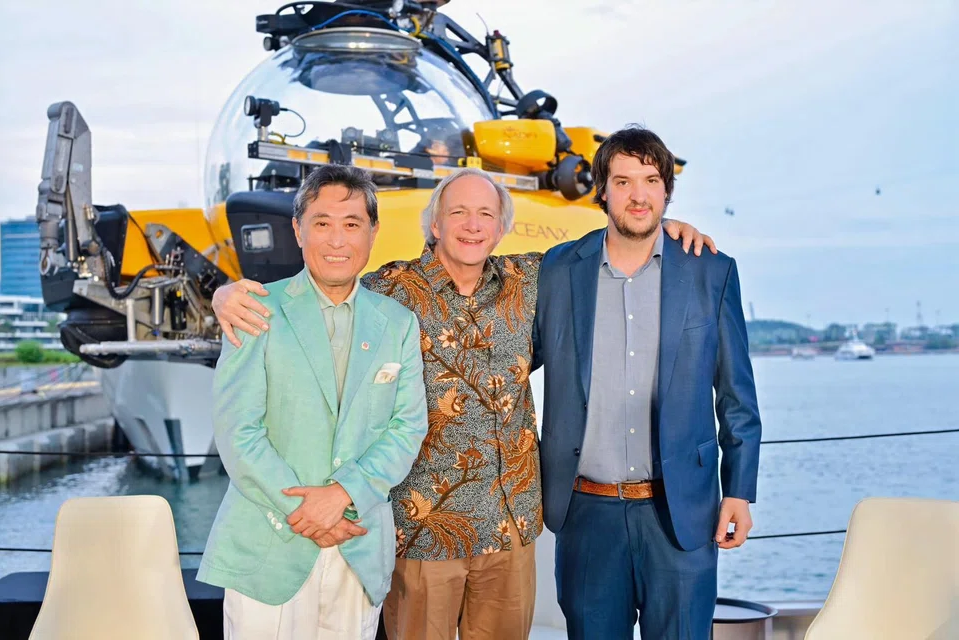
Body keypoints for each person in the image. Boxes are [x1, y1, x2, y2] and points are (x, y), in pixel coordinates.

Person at [212, 166, 714, 640]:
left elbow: (611, 245)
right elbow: (320, 289)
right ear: (433, 222)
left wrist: (662, 224)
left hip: (511, 526)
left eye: (486, 215)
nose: (472, 226)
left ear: (501, 229)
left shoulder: (535, 280)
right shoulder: (388, 292)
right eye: (457, 213)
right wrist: (225, 295)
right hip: (423, 530)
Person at [532, 125, 762, 639]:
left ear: (667, 191)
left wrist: (740, 491)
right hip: (587, 514)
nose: (638, 195)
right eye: (623, 181)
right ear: (603, 191)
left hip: (681, 513)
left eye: (651, 180)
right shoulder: (556, 270)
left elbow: (736, 396)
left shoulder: (711, 271)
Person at [197, 164, 429, 640]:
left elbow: (407, 428)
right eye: (322, 223)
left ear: (373, 232)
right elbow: (238, 431)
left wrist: (342, 496)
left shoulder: (399, 323)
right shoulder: (254, 308)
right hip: (270, 546)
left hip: (357, 545)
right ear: (298, 230)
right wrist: (308, 513)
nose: (337, 240)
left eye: (352, 225)